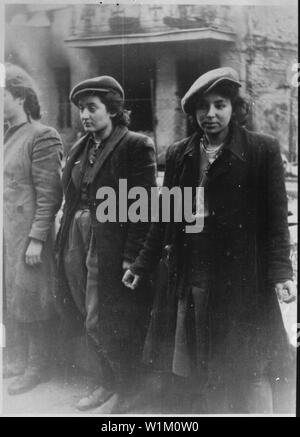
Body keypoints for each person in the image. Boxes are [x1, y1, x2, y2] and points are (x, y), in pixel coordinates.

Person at [122, 67, 296, 414]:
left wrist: (281, 275)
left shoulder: (262, 151)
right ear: (193, 112)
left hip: (245, 277)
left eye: (220, 104)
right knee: (203, 364)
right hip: (195, 275)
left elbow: (276, 221)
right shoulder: (179, 154)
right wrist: (141, 264)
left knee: (250, 367)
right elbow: (166, 217)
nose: (211, 114)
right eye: (203, 107)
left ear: (235, 108)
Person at [56, 76, 156, 411]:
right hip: (77, 237)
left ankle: (126, 388)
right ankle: (106, 381)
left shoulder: (135, 145)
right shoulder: (80, 148)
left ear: (112, 110)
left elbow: (143, 206)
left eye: (92, 108)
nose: (85, 115)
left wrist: (131, 256)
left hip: (110, 242)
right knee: (85, 311)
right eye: (82, 109)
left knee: (105, 317)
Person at [3, 64, 63, 395]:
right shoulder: (5, 136)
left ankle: (37, 367)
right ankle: (17, 360)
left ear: (21, 97)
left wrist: (37, 238)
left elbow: (49, 193)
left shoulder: (42, 136)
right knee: (11, 295)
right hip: (7, 235)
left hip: (28, 236)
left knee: (34, 298)